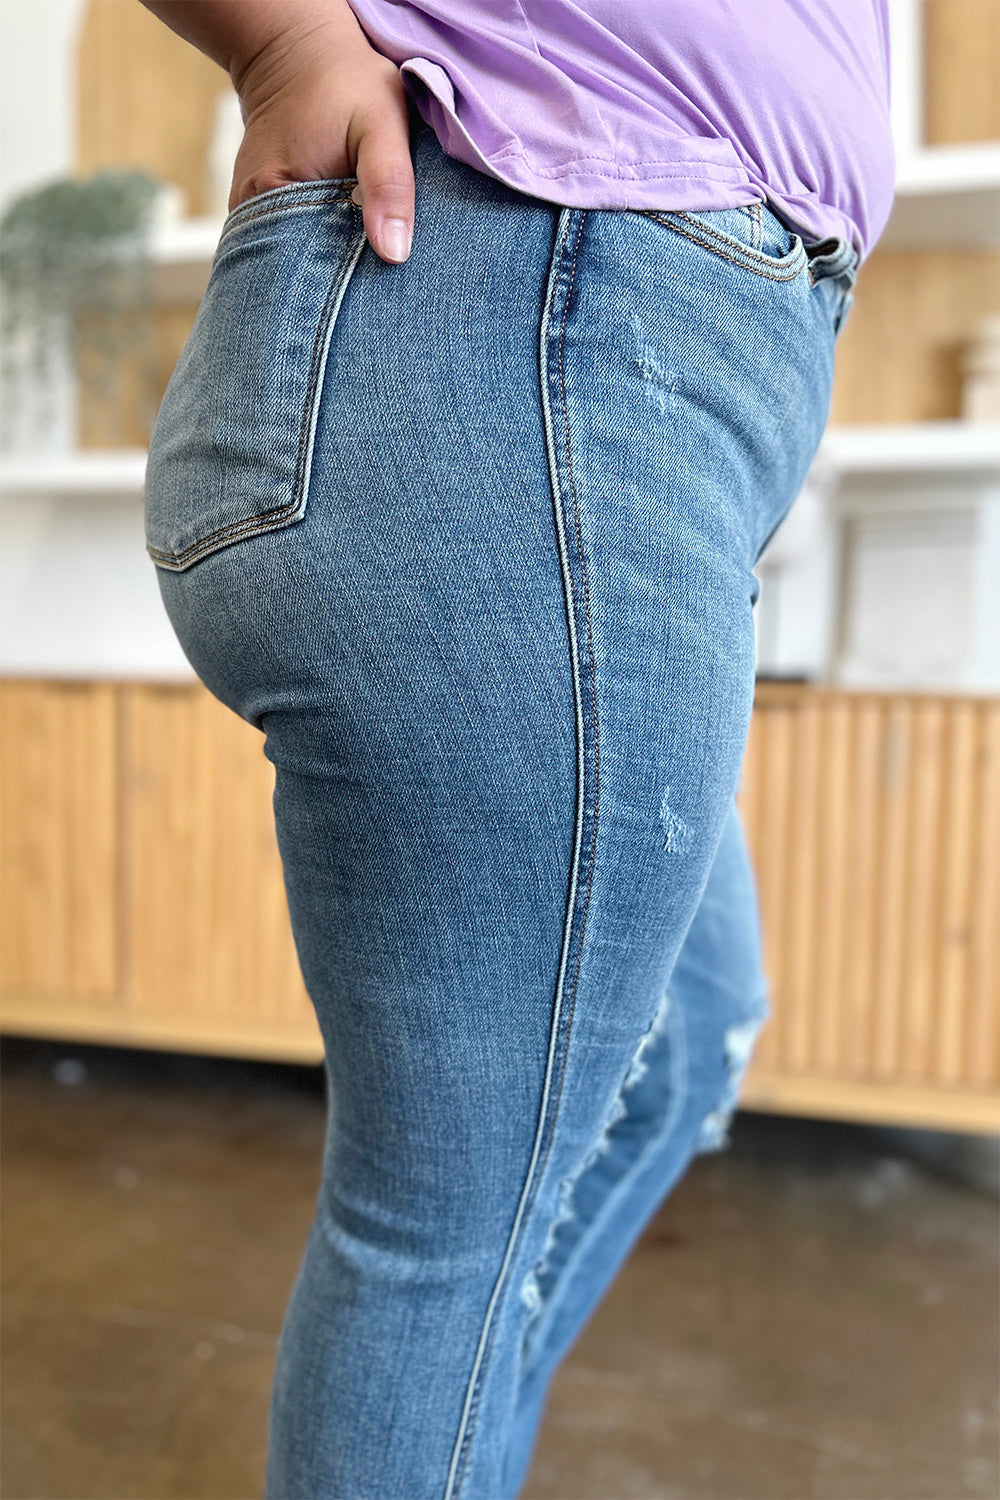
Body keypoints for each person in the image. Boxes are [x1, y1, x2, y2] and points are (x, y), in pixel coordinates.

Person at [139, 2, 895, 1495]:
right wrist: (283, 38)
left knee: (687, 1040)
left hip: (611, 365)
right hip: (523, 315)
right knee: (445, 1238)